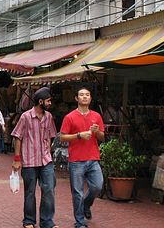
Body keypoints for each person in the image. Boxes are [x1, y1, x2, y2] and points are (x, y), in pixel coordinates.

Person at [11, 87, 59, 228]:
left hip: (46, 160)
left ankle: (47, 222)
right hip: (29, 161)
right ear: (40, 101)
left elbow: (51, 135)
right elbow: (18, 137)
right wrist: (17, 159)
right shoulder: (25, 116)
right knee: (30, 192)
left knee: (49, 189)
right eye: (48, 101)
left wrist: (47, 150)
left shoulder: (49, 116)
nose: (50, 103)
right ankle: (29, 221)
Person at [60, 87, 105, 228]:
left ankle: (86, 204)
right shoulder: (69, 117)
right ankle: (79, 222)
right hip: (76, 160)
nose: (84, 97)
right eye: (81, 95)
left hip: (93, 158)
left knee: (97, 186)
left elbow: (102, 138)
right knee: (77, 193)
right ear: (76, 98)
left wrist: (97, 132)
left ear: (90, 98)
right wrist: (79, 135)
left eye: (87, 95)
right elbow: (62, 137)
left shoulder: (97, 116)